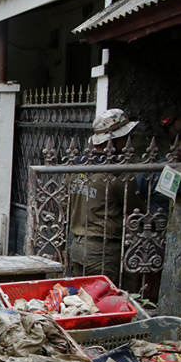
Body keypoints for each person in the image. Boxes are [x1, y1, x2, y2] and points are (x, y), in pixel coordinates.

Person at [68, 109, 139, 281]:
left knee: (82, 299)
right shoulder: (118, 173)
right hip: (102, 249)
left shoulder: (76, 166)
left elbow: (66, 204)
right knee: (102, 301)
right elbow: (135, 210)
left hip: (77, 245)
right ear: (116, 139)